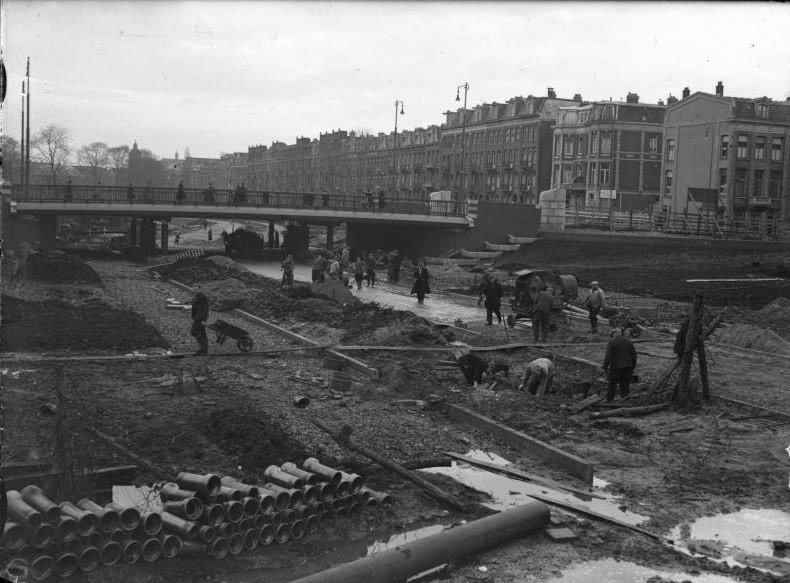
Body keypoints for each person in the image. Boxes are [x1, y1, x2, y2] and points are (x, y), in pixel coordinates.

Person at [603, 329, 637, 402]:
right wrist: (633, 367)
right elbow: (634, 355)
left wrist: (605, 367)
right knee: (625, 386)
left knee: (612, 385)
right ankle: (625, 401)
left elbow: (608, 356)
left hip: (616, 367)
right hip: (628, 367)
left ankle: (610, 402)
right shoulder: (628, 341)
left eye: (612, 336)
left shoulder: (612, 342)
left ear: (614, 334)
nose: (612, 338)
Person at [190, 287, 210, 354]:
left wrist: (204, 319)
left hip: (200, 317)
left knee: (194, 331)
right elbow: (194, 306)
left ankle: (203, 347)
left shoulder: (202, 297)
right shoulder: (197, 296)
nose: (193, 290)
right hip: (197, 317)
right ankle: (204, 349)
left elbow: (205, 309)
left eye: (195, 289)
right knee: (201, 332)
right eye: (193, 289)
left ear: (199, 289)